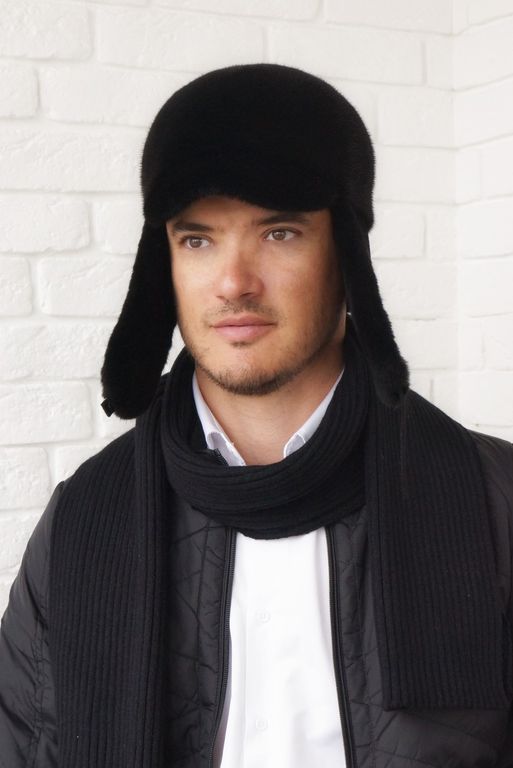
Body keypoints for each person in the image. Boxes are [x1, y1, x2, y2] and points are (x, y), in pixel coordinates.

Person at [0, 63, 512, 768]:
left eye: (279, 233)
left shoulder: (495, 501)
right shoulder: (82, 519)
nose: (234, 283)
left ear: (346, 254)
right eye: (197, 239)